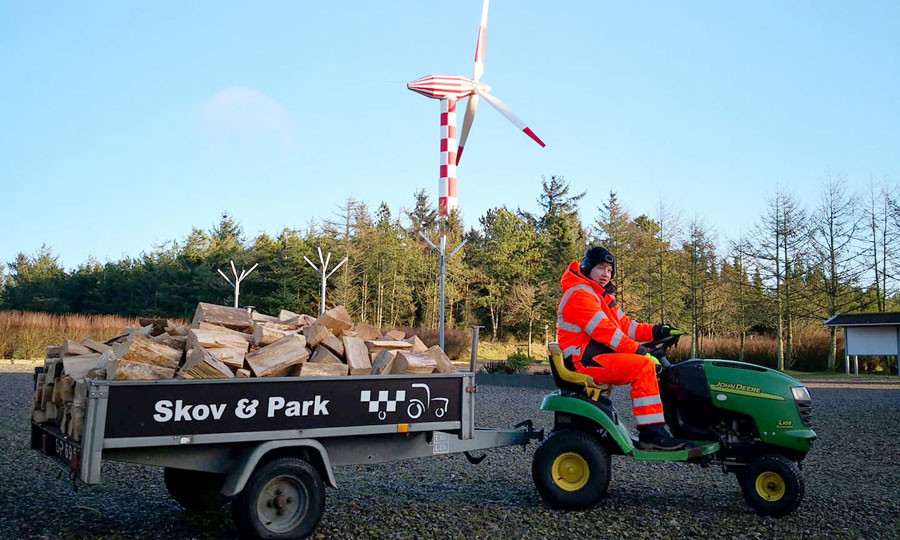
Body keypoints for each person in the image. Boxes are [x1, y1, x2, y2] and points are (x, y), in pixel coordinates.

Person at [556, 246, 686, 450]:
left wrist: (658, 331)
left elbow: (626, 326)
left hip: (593, 358)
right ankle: (652, 433)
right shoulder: (580, 295)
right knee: (643, 367)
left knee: (648, 364)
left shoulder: (601, 297)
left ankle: (669, 427)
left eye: (609, 270)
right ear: (587, 267)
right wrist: (641, 352)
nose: (605, 274)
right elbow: (607, 332)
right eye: (600, 268)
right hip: (583, 362)